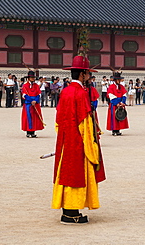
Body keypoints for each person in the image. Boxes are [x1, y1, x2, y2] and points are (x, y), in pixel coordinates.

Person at [52, 55, 106, 224]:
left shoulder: (66, 91)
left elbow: (58, 120)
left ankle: (66, 211)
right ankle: (71, 213)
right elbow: (85, 123)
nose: (89, 77)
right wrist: (92, 144)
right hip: (77, 141)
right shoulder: (81, 93)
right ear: (82, 74)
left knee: (65, 173)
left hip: (64, 138)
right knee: (76, 175)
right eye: (88, 74)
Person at [21, 70, 44, 138]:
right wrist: (31, 100)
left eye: (33, 77)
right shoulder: (25, 85)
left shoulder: (36, 85)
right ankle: (28, 132)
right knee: (28, 118)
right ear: (28, 78)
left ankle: (33, 132)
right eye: (31, 77)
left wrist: (35, 100)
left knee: (35, 118)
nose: (33, 79)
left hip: (35, 104)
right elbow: (24, 95)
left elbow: (39, 94)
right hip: (28, 104)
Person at [106, 71, 129, 136]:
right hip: (114, 104)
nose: (119, 81)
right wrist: (116, 103)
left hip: (120, 103)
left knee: (120, 116)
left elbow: (124, 94)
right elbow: (110, 95)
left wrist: (122, 102)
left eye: (119, 79)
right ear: (115, 80)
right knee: (114, 117)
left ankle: (118, 130)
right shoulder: (111, 87)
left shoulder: (121, 86)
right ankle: (114, 130)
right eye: (118, 80)